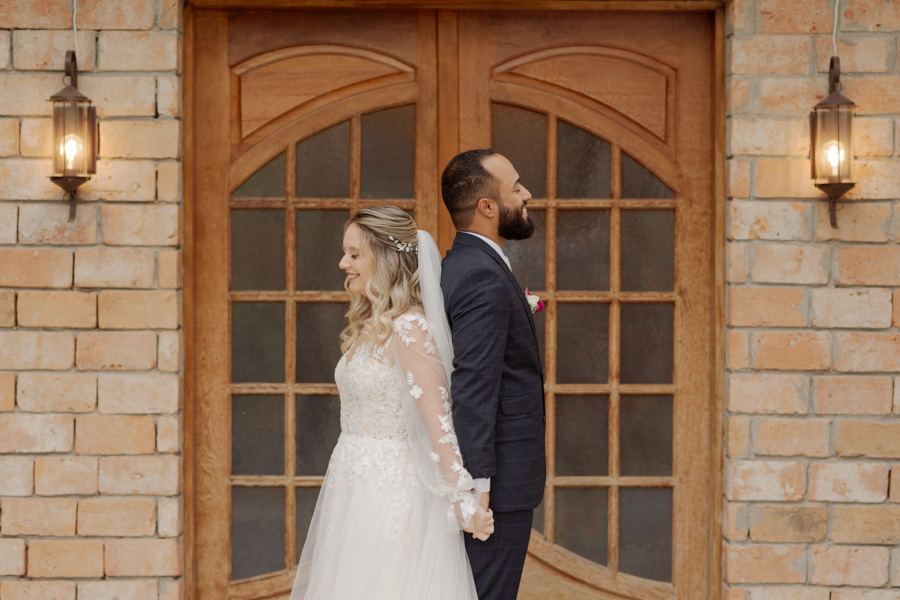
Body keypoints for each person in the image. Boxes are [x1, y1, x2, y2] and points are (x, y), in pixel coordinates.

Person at [290, 206, 494, 600]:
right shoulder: (371, 323)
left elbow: (438, 420)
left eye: (354, 254)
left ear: (384, 258)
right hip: (353, 483)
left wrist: (460, 497)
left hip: (392, 490)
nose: (342, 263)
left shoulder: (409, 327)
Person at [440, 150, 547, 600]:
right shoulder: (481, 276)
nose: (526, 195)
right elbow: (475, 386)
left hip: (495, 481)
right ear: (487, 207)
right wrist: (477, 487)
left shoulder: (466, 264)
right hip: (497, 486)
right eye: (516, 187)